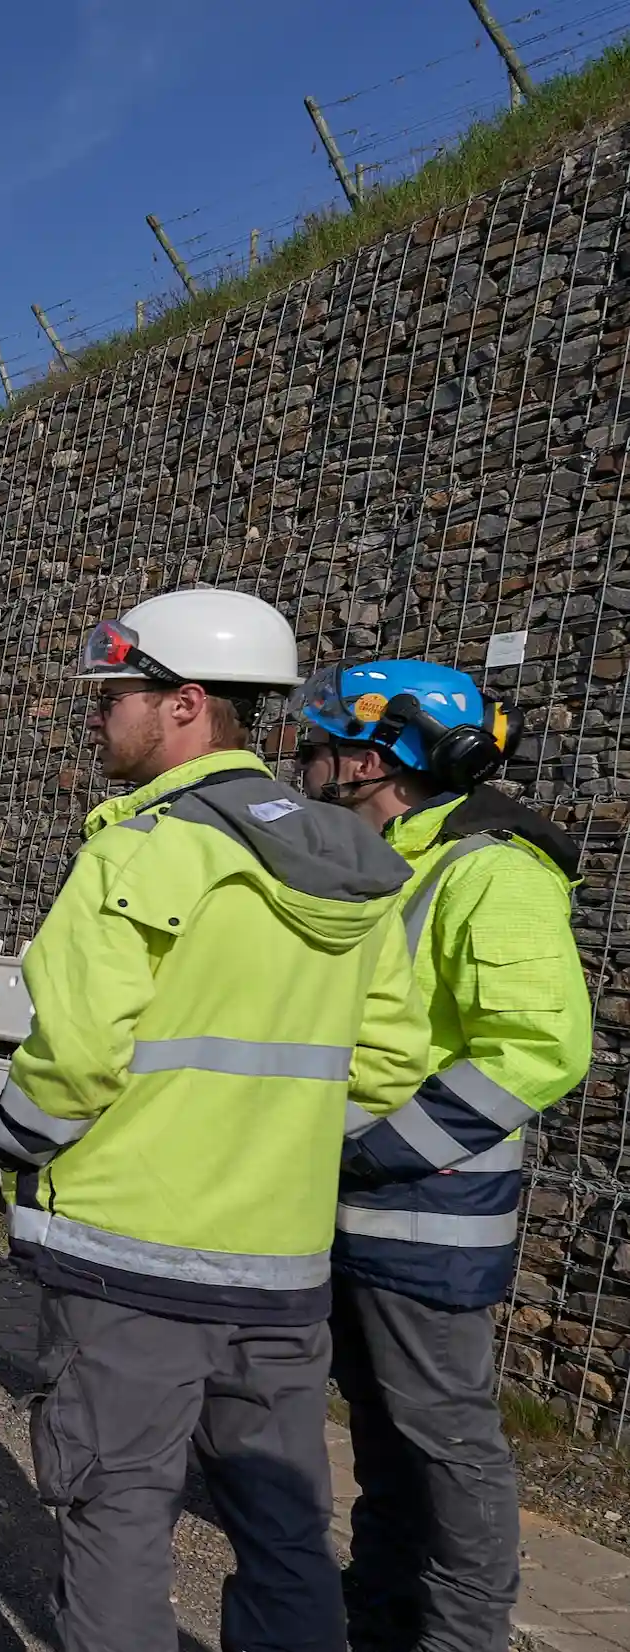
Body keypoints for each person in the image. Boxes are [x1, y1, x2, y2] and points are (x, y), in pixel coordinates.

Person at [0, 587, 429, 1652]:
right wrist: (268, 1139)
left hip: (129, 1259)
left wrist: (10, 1140)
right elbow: (392, 1061)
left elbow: (76, 1057)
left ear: (183, 702)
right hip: (281, 1264)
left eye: (112, 698)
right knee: (282, 1528)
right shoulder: (355, 865)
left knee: (118, 1510)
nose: (97, 718)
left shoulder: (141, 849)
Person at [295, 660, 591, 1652]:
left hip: (426, 1214)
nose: (307, 760)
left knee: (447, 1442)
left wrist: (382, 1148)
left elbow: (539, 1046)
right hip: (359, 1207)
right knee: (385, 1443)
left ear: (376, 760)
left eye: (324, 744)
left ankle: (462, 1636)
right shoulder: (399, 860)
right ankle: (379, 1620)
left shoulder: (489, 871)